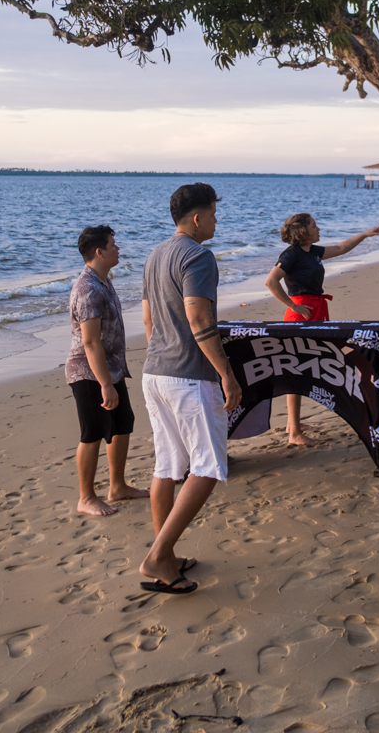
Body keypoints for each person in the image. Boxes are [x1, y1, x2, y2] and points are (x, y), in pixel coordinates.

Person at [138, 183, 242, 595]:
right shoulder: (197, 256)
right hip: (188, 375)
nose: (217, 220)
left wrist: (162, 354)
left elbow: (148, 321)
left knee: (166, 466)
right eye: (213, 213)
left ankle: (167, 553)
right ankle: (159, 555)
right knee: (208, 466)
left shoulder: (155, 255)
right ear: (197, 218)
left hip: (155, 371)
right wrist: (226, 374)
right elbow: (199, 319)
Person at [265, 213, 379, 445]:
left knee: (305, 364)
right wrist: (293, 306)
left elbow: (341, 248)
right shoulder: (291, 254)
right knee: (297, 368)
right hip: (301, 313)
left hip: (315, 310)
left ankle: (294, 423)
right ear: (302, 230)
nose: (318, 228)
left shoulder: (313, 252)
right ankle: (294, 434)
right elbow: (271, 281)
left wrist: (364, 234)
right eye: (313, 225)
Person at [65, 225, 149, 517]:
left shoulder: (103, 281)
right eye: (113, 245)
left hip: (111, 368)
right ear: (99, 252)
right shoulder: (87, 289)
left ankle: (118, 486)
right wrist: (105, 384)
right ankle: (86, 497)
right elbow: (89, 342)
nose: (118, 249)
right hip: (89, 373)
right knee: (93, 432)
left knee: (123, 424)